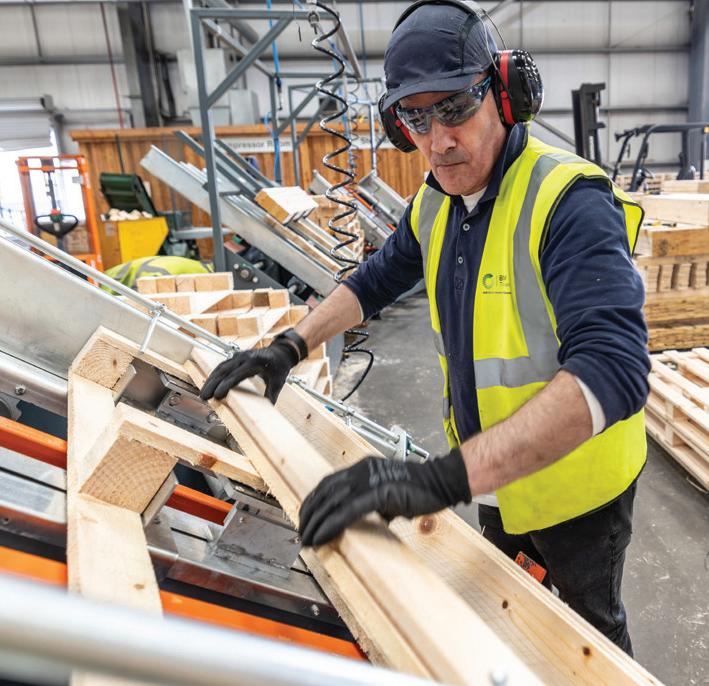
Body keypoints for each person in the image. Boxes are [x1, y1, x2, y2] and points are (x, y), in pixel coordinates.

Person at [200, 0, 649, 655]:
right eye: (415, 118)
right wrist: (287, 348)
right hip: (495, 475)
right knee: (514, 624)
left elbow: (613, 371)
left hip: (580, 487)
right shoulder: (437, 204)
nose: (437, 141)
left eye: (455, 108)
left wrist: (433, 482)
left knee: (590, 642)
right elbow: (373, 281)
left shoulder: (568, 202)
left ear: (505, 94)